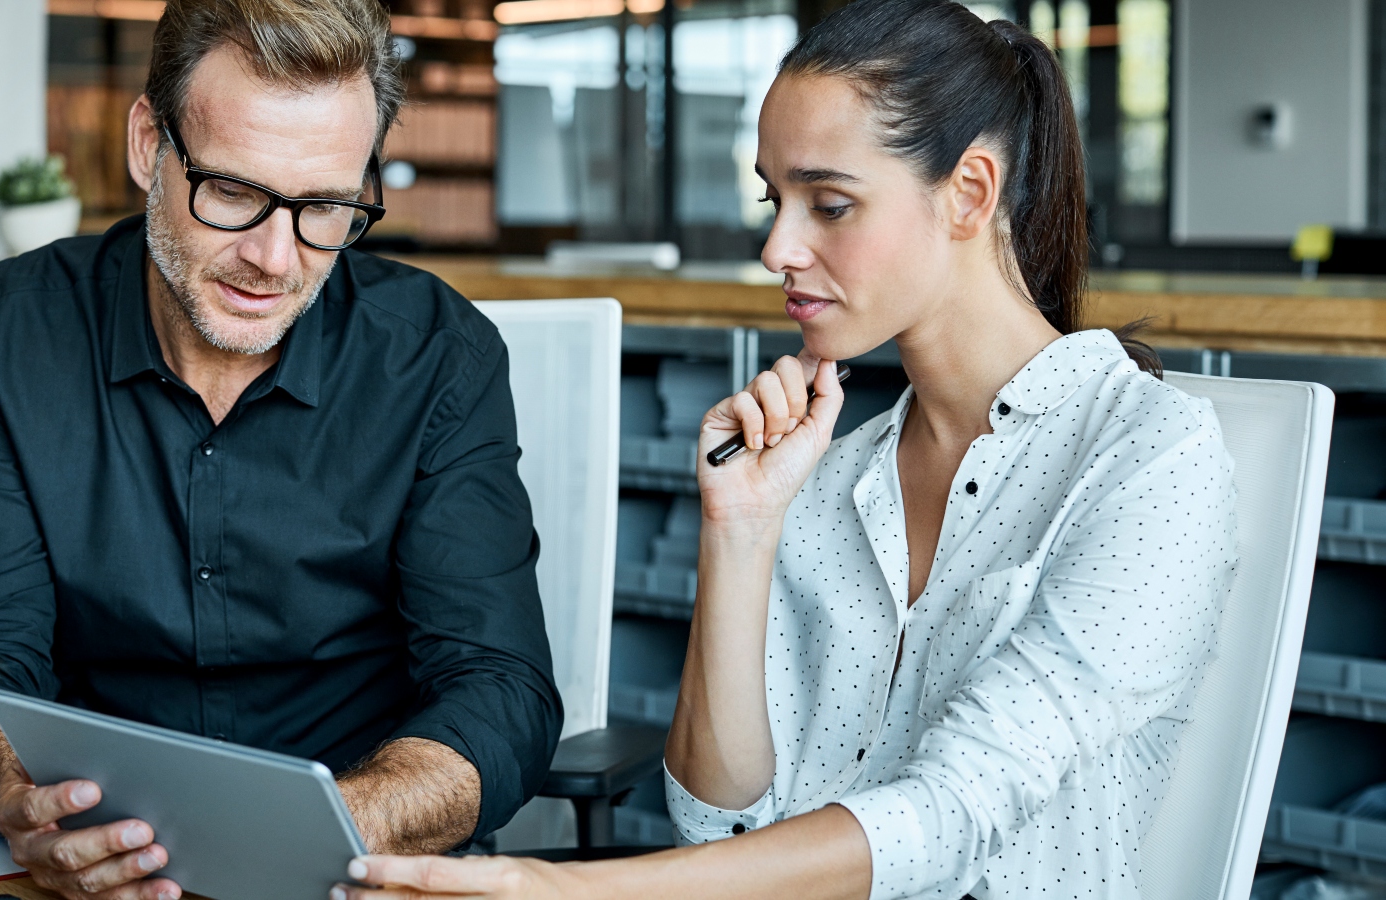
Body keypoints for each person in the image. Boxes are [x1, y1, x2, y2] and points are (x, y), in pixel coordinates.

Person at [335, 1, 1236, 898]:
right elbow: (717, 818)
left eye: (830, 204)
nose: (777, 247)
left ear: (969, 192)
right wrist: (740, 530)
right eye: (776, 199)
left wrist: (566, 891)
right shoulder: (835, 473)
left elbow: (955, 813)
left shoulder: (1153, 460)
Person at [0, 2, 563, 898]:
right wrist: (27, 801)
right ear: (149, 145)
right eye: (233, 192)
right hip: (90, 868)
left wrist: (326, 829)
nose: (274, 257)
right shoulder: (5, 334)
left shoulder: (438, 357)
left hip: (357, 867)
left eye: (326, 206)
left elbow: (498, 689)